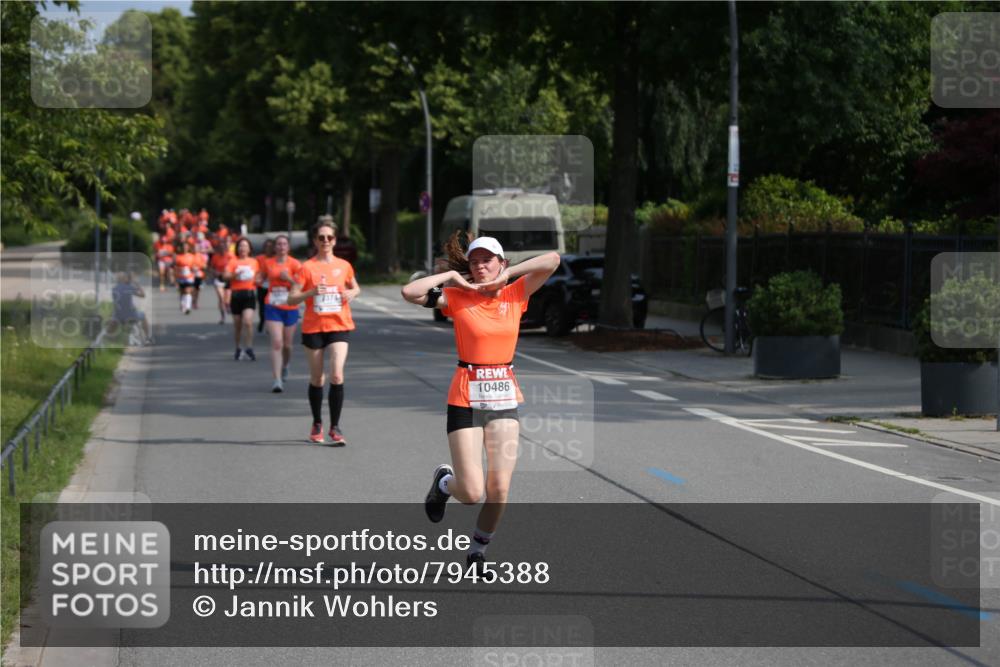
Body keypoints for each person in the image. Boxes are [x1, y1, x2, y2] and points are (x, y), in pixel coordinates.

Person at [401, 233, 559, 572]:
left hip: (503, 397)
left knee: (499, 487)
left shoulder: (517, 293)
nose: (480, 265)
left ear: (500, 263)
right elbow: (409, 292)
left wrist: (509, 275)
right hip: (465, 397)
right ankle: (445, 483)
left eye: (488, 260)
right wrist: (451, 277)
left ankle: (477, 552)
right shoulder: (457, 297)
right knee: (471, 492)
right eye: (475, 261)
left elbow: (552, 260)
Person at [287, 218, 360, 444]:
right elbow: (291, 298)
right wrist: (310, 293)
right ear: (315, 241)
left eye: (329, 237)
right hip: (314, 327)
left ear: (335, 240)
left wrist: (352, 293)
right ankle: (317, 422)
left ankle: (335, 427)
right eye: (321, 237)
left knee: (336, 374)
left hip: (339, 324)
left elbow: (355, 286)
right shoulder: (306, 267)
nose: (326, 241)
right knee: (318, 378)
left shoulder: (344, 265)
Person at [263, 235, 301, 392]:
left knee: (287, 345)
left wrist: (289, 279)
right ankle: (277, 380)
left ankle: (286, 365)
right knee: (277, 342)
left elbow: (300, 286)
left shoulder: (295, 264)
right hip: (272, 305)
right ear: (275, 247)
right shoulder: (268, 263)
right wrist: (257, 279)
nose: (281, 246)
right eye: (278, 244)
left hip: (290, 307)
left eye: (284, 244)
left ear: (288, 247)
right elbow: (261, 278)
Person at [224, 237, 260, 361]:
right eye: (240, 246)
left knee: (248, 321)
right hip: (236, 295)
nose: (243, 248)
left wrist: (259, 280)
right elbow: (225, 275)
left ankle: (249, 347)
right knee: (238, 324)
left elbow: (259, 276)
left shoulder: (254, 262)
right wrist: (236, 274)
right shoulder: (233, 262)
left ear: (249, 249)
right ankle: (238, 347)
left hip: (249, 294)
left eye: (245, 246)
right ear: (237, 249)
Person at [108, 271, 152, 344]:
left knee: (113, 319)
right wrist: (136, 283)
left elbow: (117, 303)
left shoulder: (114, 289)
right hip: (131, 316)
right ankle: (147, 337)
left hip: (118, 317)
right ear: (124, 279)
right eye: (126, 277)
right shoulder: (129, 288)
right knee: (143, 316)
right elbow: (143, 295)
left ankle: (108, 338)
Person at [209, 238, 233, 325]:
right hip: (219, 279)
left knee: (227, 300)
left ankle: (228, 305)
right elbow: (211, 268)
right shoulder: (215, 257)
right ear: (219, 248)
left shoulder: (231, 256)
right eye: (221, 247)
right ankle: (222, 317)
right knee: (221, 298)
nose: (222, 249)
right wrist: (215, 272)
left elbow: (235, 267)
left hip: (228, 280)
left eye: (224, 247)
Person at [256, 238, 276, 333]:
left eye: (271, 247)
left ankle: (270, 324)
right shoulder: (260, 258)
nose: (269, 248)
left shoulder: (276, 258)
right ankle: (262, 320)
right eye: (267, 246)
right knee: (262, 306)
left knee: (272, 305)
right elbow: (256, 270)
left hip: (273, 287)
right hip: (262, 285)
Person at [173, 243, 197, 314]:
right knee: (182, 292)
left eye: (186, 247)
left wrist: (194, 268)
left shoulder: (192, 256)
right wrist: (178, 271)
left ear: (188, 248)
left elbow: (194, 266)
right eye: (183, 247)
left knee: (188, 291)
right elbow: (175, 267)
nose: (184, 248)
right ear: (181, 248)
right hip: (181, 277)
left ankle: (188, 307)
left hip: (189, 277)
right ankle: (182, 304)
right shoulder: (178, 257)